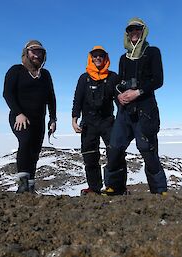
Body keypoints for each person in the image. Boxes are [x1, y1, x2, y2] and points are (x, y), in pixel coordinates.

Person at [102, 18, 167, 195]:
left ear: (143, 31)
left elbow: (158, 80)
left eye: (137, 29)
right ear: (127, 33)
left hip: (146, 110)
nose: (134, 33)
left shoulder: (152, 52)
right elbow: (120, 84)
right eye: (130, 30)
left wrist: (138, 92)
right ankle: (114, 187)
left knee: (147, 148)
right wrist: (120, 96)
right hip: (125, 111)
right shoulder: (124, 58)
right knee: (114, 147)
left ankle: (159, 191)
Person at [3, 40, 57, 193]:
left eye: (39, 52)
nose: (36, 55)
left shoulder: (45, 75)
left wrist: (53, 118)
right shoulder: (16, 71)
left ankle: (30, 186)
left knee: (35, 150)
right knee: (25, 142)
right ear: (26, 53)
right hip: (19, 118)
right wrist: (18, 113)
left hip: (39, 119)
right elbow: (7, 93)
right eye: (33, 51)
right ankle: (22, 185)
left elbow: (51, 98)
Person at [72, 46, 118, 195]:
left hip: (108, 121)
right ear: (90, 58)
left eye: (101, 56)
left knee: (115, 153)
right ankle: (94, 187)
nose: (98, 58)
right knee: (90, 156)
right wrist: (74, 118)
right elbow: (77, 99)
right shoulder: (83, 78)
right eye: (95, 55)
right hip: (89, 122)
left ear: (105, 58)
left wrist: (125, 119)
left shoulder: (112, 77)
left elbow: (119, 99)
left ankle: (114, 186)